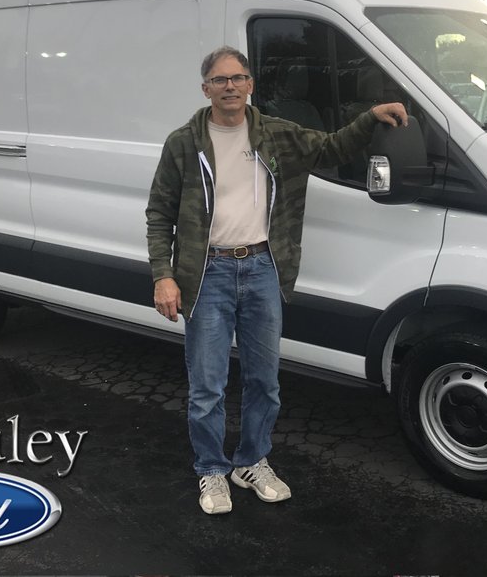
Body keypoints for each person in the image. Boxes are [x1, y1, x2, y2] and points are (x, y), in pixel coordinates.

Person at [146, 46, 408, 515]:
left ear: (250, 85)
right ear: (205, 88)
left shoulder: (278, 135)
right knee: (207, 386)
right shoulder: (183, 143)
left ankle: (251, 462)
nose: (230, 86)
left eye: (238, 78)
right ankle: (211, 468)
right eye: (220, 79)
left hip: (263, 268)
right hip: (207, 273)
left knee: (264, 381)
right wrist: (163, 276)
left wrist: (370, 117)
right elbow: (159, 212)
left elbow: (333, 148)